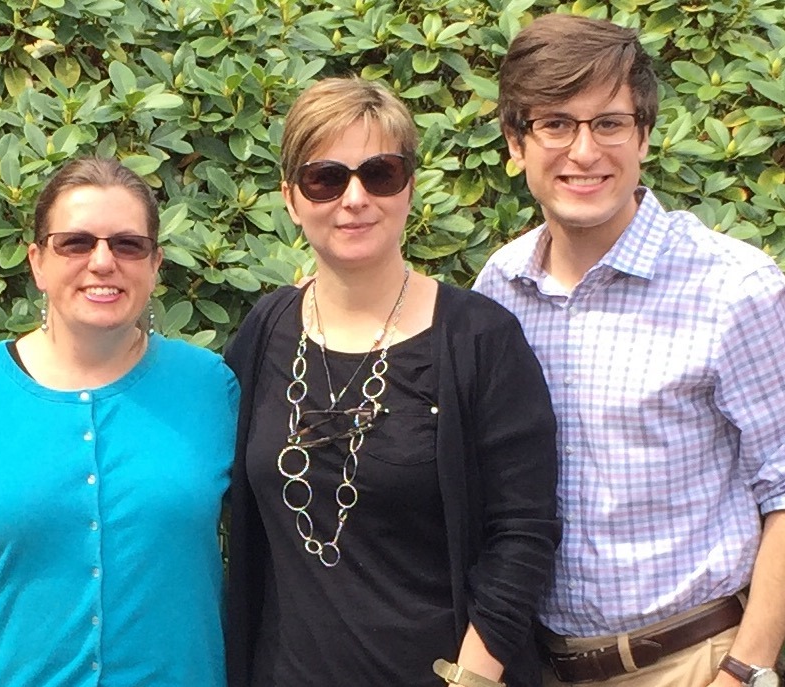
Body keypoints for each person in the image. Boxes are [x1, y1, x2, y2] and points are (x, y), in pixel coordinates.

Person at [472, 14, 785, 687]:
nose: (583, 152)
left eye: (607, 123)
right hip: (540, 664)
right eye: (555, 123)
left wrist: (742, 670)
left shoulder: (733, 287)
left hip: (691, 663)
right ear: (515, 142)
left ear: (642, 135)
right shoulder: (498, 288)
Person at [225, 76, 561, 687]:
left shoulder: (480, 339)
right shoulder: (265, 331)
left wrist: (474, 677)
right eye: (325, 178)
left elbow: (523, 532)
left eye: (379, 173)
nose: (354, 198)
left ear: (409, 188)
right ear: (291, 198)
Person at [0, 157, 238, 686]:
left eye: (128, 244)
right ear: (37, 262)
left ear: (155, 264)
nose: (103, 262)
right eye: (76, 243)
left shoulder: (210, 387)